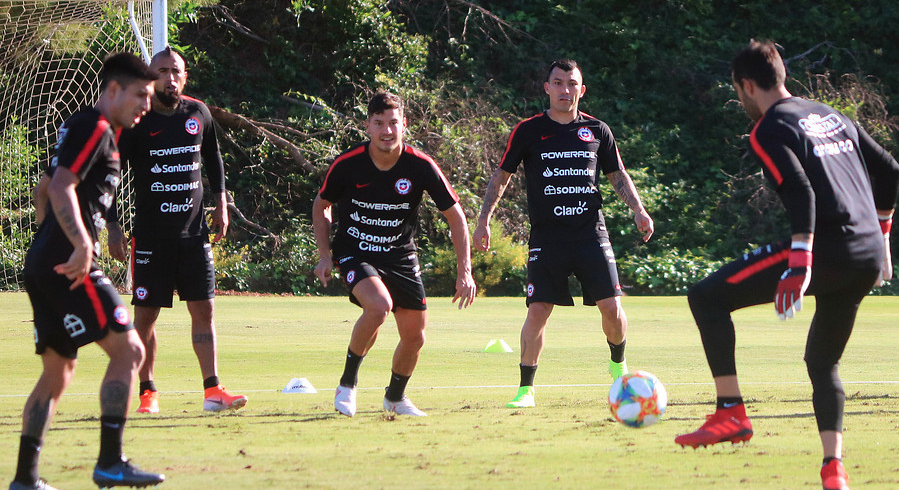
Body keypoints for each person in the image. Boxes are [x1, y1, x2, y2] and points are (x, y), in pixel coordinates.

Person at [675, 40, 899, 490]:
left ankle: (730, 413)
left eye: (738, 91)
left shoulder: (769, 128)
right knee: (822, 362)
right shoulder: (831, 114)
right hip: (866, 256)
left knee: (706, 297)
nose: (740, 100)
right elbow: (891, 171)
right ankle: (833, 468)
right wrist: (884, 238)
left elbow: (800, 191)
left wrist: (800, 262)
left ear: (747, 84)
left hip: (827, 249)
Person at [12, 52, 165, 490]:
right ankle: (110, 462)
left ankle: (26, 479)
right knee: (130, 351)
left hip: (45, 263)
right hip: (70, 266)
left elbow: (45, 187)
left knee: (57, 371)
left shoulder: (85, 128)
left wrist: (46, 242)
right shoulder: (96, 128)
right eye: (140, 95)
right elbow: (61, 186)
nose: (145, 105)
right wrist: (79, 244)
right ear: (113, 90)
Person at [473, 58, 654, 409]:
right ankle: (526, 390)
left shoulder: (598, 130)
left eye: (571, 84)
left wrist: (639, 209)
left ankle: (618, 365)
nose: (564, 90)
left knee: (612, 309)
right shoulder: (527, 131)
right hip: (548, 238)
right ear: (547, 88)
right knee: (538, 309)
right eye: (558, 83)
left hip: (591, 234)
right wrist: (483, 221)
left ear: (581, 90)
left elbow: (617, 174)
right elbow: (501, 176)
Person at [313, 91, 476, 417]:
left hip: (400, 256)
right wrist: (325, 254)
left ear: (405, 125)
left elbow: (455, 215)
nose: (387, 130)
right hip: (355, 251)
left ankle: (395, 397)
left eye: (393, 123)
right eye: (379, 123)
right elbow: (321, 205)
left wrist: (465, 271)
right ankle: (347, 384)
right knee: (379, 307)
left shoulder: (420, 165)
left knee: (415, 338)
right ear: (368, 127)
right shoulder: (348, 164)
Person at [107, 46, 247, 414]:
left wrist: (221, 200)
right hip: (151, 237)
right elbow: (112, 176)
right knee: (146, 316)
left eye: (176, 71)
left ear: (185, 77)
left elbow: (213, 156)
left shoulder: (198, 112)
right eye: (162, 71)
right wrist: (113, 226)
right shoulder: (136, 120)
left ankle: (213, 390)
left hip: (194, 234)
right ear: (150, 78)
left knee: (204, 310)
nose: (169, 77)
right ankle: (147, 392)